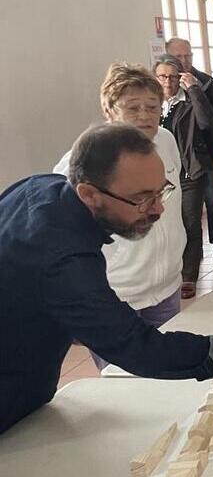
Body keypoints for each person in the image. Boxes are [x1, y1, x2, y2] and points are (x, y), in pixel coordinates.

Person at [0, 123, 213, 435]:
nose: (158, 210)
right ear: (89, 194)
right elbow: (140, 349)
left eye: (161, 192)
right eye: (141, 199)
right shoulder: (61, 256)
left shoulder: (43, 188)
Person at [53, 63, 187, 368]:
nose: (144, 116)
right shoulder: (82, 162)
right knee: (125, 381)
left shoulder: (165, 141)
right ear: (110, 110)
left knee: (173, 370)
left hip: (165, 288)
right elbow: (61, 233)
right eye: (133, 107)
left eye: (152, 107)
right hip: (116, 296)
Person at [165, 37, 213, 267]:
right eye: (179, 56)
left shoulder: (204, 82)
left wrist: (203, 129)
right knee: (182, 208)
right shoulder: (162, 85)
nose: (184, 61)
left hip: (205, 155)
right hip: (174, 159)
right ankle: (188, 251)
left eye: (188, 55)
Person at [154, 55, 213, 299]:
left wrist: (194, 90)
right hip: (158, 177)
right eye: (162, 76)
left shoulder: (190, 100)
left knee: (190, 222)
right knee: (164, 223)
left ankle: (189, 276)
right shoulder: (153, 104)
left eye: (172, 76)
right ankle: (168, 272)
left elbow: (208, 122)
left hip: (189, 171)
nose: (168, 82)